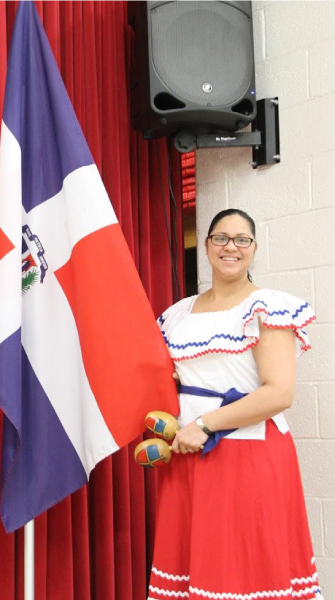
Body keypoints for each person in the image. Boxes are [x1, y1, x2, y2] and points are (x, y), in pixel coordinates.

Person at [148, 209, 322, 600]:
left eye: (242, 239)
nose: (231, 247)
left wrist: (205, 424)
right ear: (207, 246)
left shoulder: (268, 307)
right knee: (194, 571)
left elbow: (279, 393)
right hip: (187, 455)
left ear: (254, 249)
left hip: (248, 455)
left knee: (246, 573)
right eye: (221, 238)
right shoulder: (178, 313)